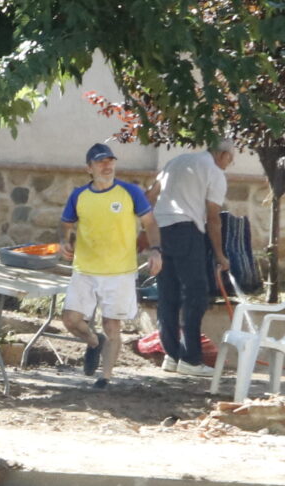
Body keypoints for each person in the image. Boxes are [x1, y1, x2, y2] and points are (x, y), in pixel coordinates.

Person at [60, 142, 161, 389]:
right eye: (100, 162)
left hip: (119, 272)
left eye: (110, 161)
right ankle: (94, 342)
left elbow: (150, 224)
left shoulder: (130, 192)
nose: (107, 166)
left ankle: (104, 378)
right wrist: (64, 240)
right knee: (70, 320)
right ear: (89, 169)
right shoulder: (79, 196)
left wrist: (156, 251)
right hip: (85, 269)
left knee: (111, 325)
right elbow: (66, 224)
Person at [151, 140, 236, 369]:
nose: (230, 164)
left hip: (161, 230)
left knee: (168, 294)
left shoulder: (176, 161)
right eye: (231, 158)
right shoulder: (214, 172)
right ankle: (190, 359)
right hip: (187, 230)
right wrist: (220, 255)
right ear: (222, 154)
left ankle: (172, 354)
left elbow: (151, 195)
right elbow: (214, 218)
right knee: (196, 294)